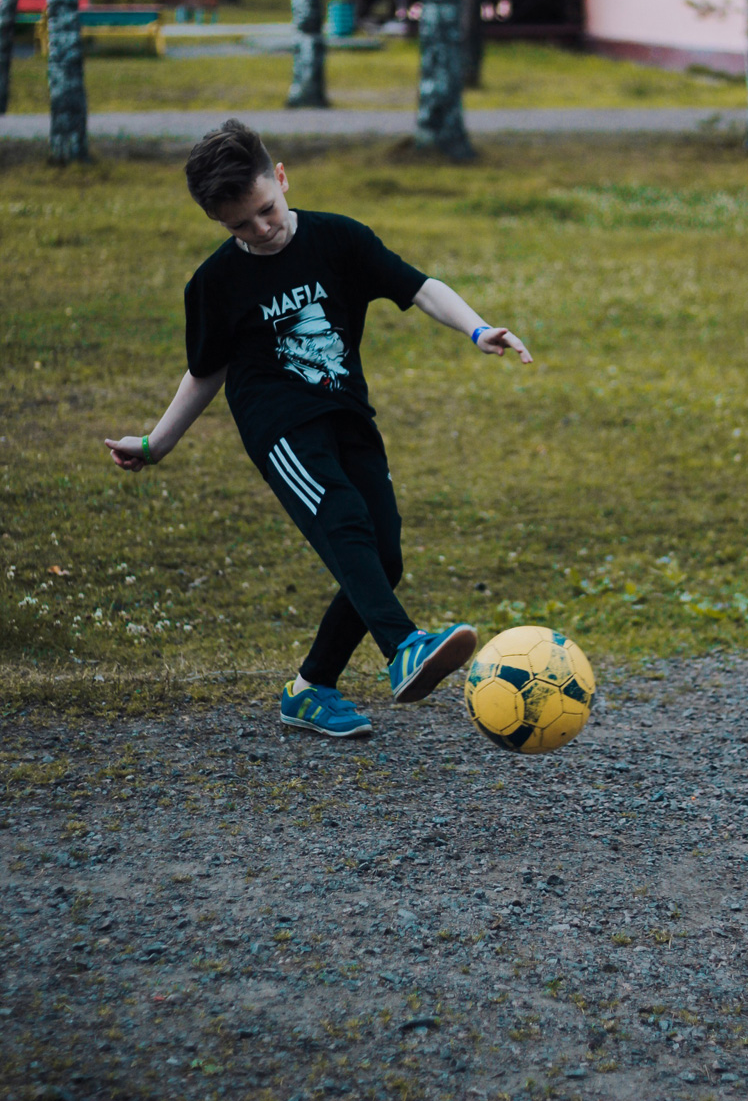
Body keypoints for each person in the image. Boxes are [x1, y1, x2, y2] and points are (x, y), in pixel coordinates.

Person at [105, 119, 532, 739]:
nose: (261, 229)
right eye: (239, 226)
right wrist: (155, 443)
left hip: (347, 413)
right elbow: (205, 371)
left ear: (280, 178)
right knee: (342, 517)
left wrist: (477, 328)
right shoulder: (215, 283)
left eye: (266, 210)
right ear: (218, 222)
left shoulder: (339, 238)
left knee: (383, 557)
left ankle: (311, 690)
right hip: (279, 425)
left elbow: (420, 288)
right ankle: (404, 648)